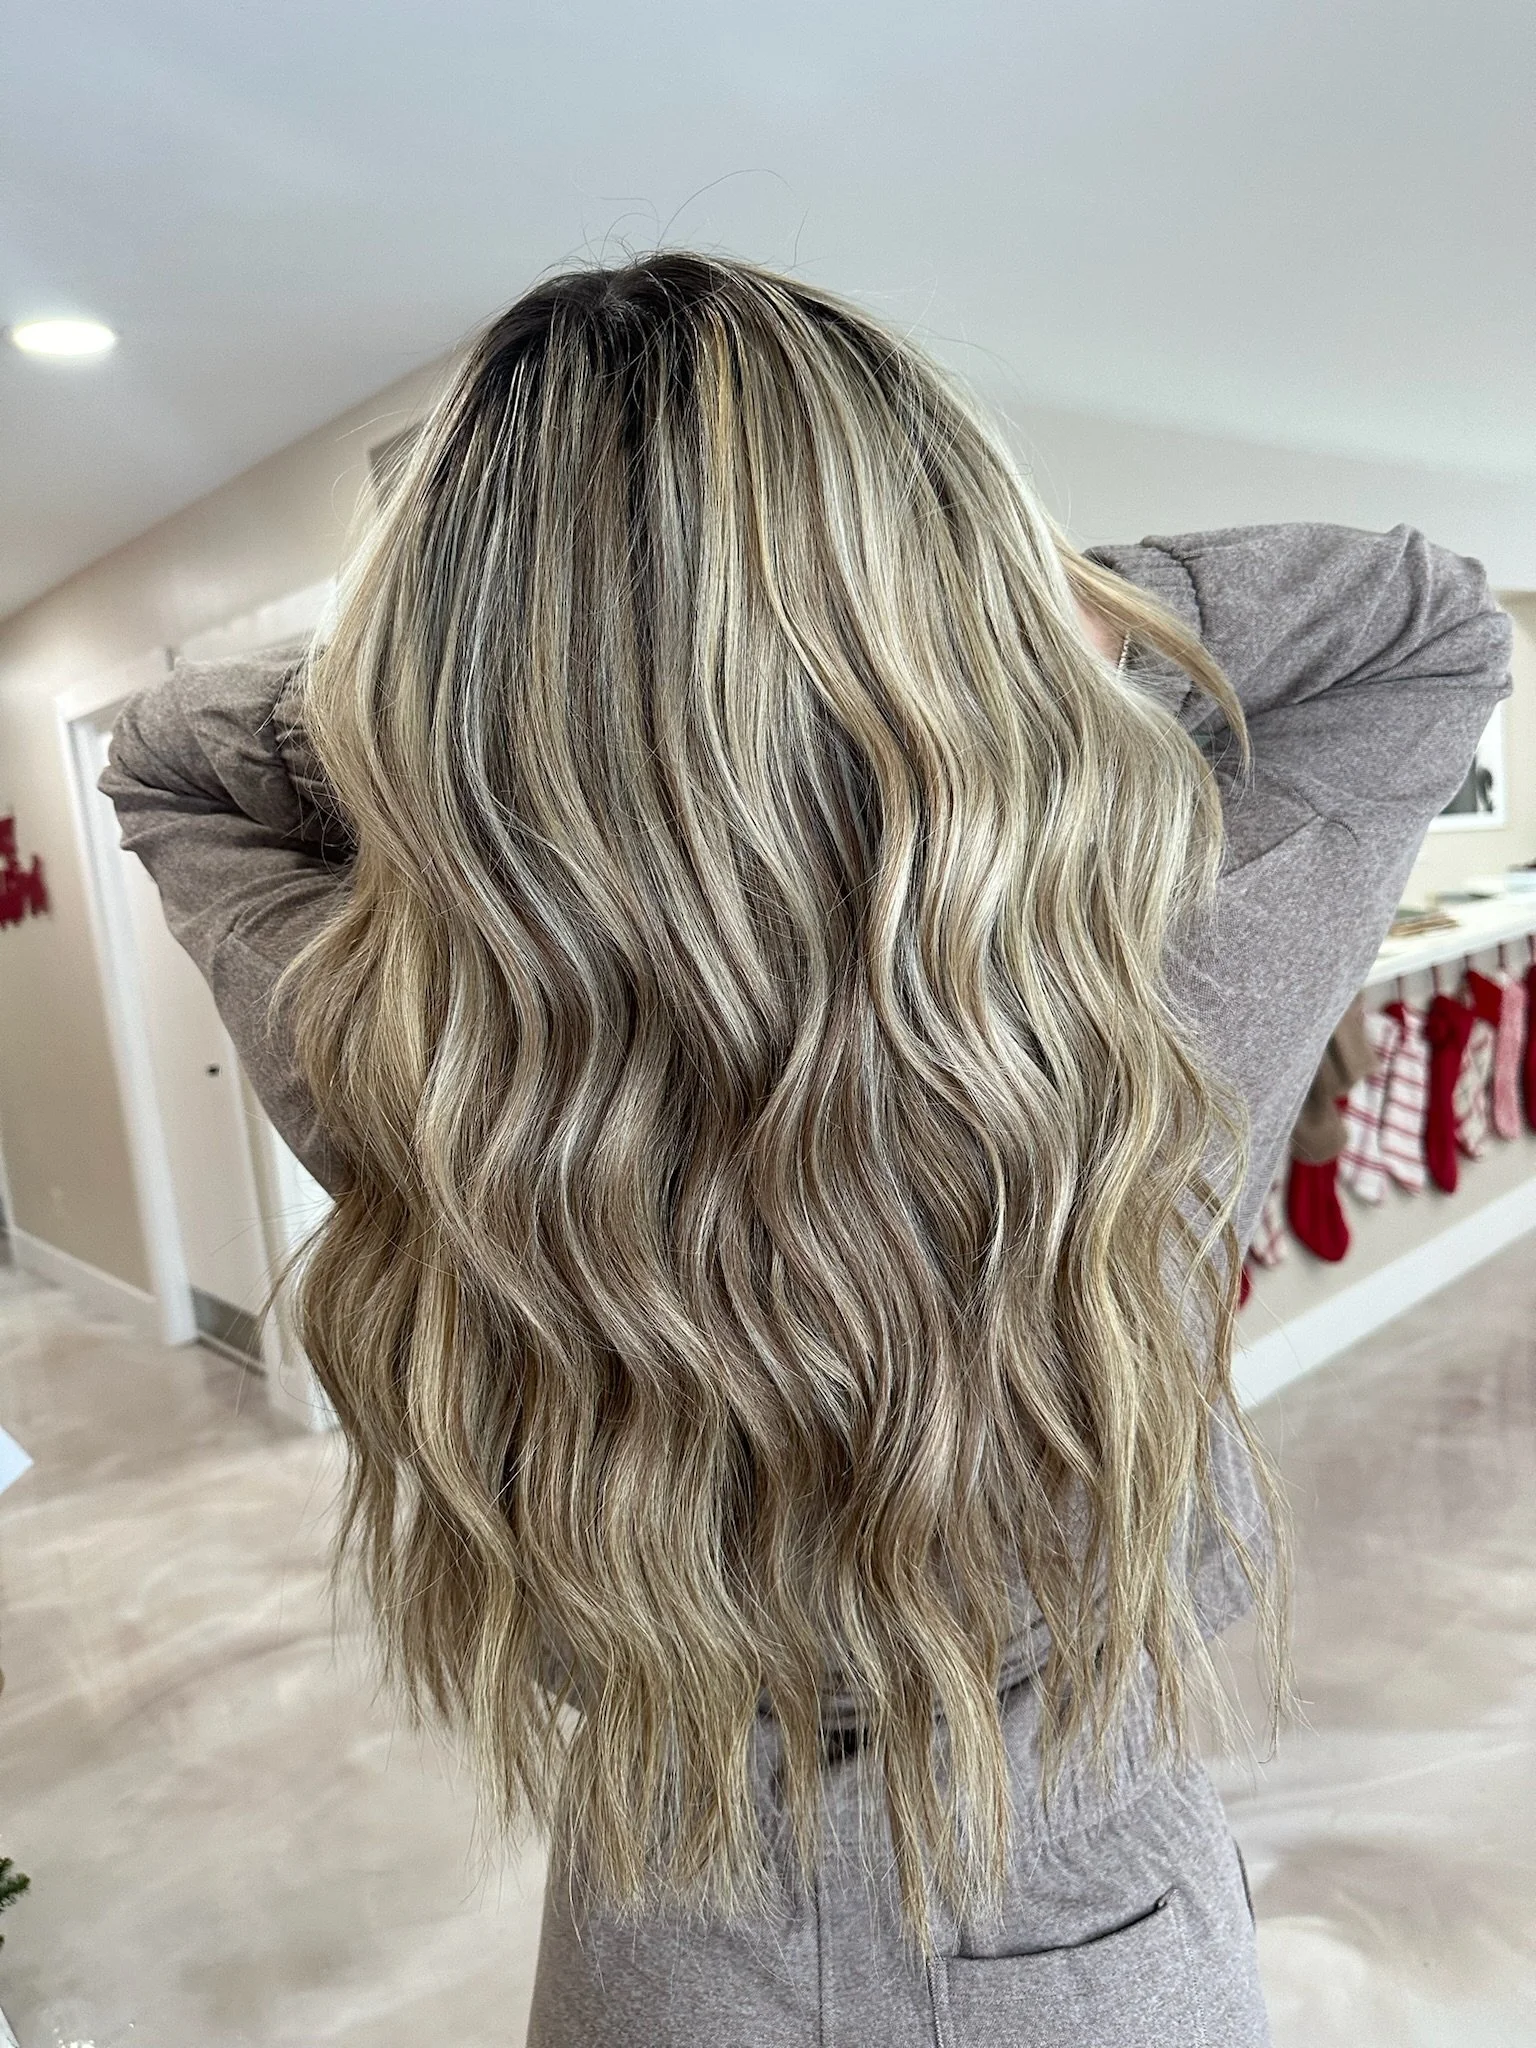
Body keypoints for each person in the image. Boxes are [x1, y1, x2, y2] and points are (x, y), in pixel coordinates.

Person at [98, 253, 1511, 2046]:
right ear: (942, 592)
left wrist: (512, 693)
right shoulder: (1131, 989)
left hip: (651, 1927)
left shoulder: (412, 1053)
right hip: (1079, 1916)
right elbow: (1423, 619)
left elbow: (174, 756)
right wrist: (991, 626)